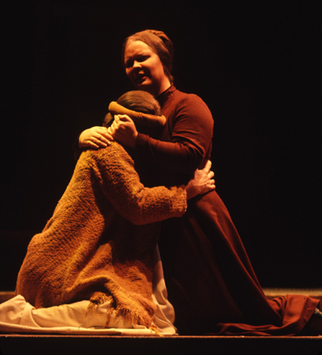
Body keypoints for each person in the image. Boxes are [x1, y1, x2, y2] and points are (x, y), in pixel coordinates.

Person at [78, 29, 322, 336]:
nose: (135, 66)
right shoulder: (133, 111)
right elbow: (107, 156)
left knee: (231, 306)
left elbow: (190, 155)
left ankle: (309, 316)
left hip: (196, 219)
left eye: (143, 57)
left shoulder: (187, 104)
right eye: (129, 62)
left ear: (162, 60)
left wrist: (139, 141)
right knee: (190, 313)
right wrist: (83, 138)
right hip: (159, 218)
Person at [0, 90, 215, 335]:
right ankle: (23, 317)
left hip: (57, 267)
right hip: (61, 270)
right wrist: (185, 193)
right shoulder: (109, 151)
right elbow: (138, 205)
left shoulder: (112, 151)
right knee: (119, 314)